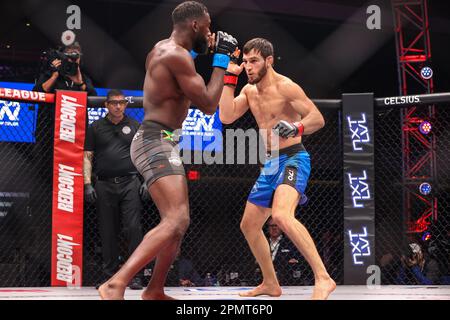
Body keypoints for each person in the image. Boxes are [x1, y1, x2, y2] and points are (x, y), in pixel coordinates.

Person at [98, 1, 238, 300]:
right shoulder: (174, 55)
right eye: (209, 26)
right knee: (176, 219)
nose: (211, 33)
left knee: (178, 221)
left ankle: (155, 289)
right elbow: (210, 103)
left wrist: (216, 59)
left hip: (163, 140)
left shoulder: (169, 51)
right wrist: (222, 59)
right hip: (153, 141)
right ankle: (116, 282)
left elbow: (196, 91)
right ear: (196, 26)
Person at [219, 38, 336, 299]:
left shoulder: (286, 87)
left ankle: (323, 277)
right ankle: (271, 283)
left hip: (294, 157)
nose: (248, 67)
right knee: (249, 225)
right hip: (270, 164)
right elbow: (226, 116)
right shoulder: (249, 91)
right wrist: (230, 76)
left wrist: (297, 127)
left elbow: (317, 118)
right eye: (246, 61)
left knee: (282, 216)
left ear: (269, 61)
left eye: (254, 61)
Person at [84, 89, 146, 290]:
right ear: (106, 105)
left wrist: (147, 180)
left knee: (133, 228)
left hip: (130, 183)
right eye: (114, 103)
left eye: (121, 103)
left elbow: (144, 154)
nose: (118, 106)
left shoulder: (136, 126)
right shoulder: (95, 128)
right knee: (107, 230)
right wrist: (87, 183)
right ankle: (110, 276)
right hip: (104, 183)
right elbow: (87, 156)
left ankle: (134, 275)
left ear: (126, 105)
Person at [254, 217, 304, 286]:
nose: (274, 228)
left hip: (285, 280)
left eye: (276, 225)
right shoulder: (262, 242)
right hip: (263, 278)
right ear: (268, 228)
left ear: (281, 227)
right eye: (271, 226)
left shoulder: (290, 243)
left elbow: (295, 261)